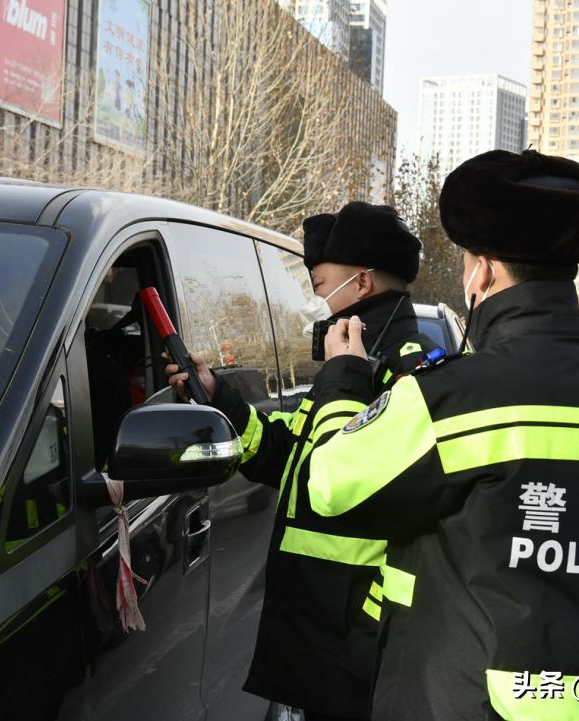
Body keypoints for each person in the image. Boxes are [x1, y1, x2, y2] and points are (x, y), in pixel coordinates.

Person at [308, 150, 579, 720]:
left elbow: (331, 486)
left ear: (481, 272)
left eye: (467, 263)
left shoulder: (447, 399)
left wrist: (342, 382)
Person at [167, 202, 439, 721]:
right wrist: (218, 395)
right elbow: (292, 453)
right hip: (321, 634)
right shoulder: (349, 359)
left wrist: (346, 377)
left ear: (360, 283)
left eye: (321, 283)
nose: (317, 298)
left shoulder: (411, 374)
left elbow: (348, 479)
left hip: (362, 644)